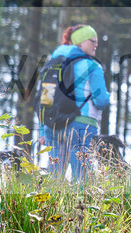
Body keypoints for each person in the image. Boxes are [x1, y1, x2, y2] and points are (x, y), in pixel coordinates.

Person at [40, 25, 111, 182]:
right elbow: (101, 101)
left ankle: (50, 205)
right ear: (79, 42)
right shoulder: (93, 66)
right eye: (92, 40)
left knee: (53, 176)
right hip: (81, 124)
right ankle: (82, 206)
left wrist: (41, 130)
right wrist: (108, 96)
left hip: (52, 125)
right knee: (83, 177)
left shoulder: (53, 63)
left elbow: (46, 99)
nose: (96, 45)